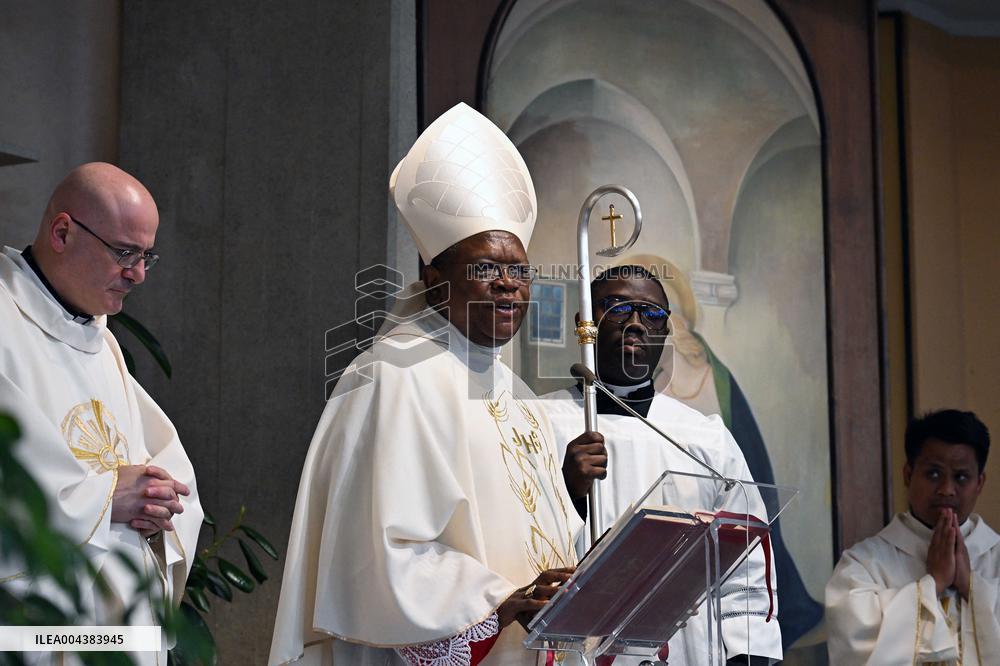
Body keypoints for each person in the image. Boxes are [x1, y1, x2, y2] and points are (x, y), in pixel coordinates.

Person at [269, 103, 594, 665]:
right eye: (487, 269)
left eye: (519, 270)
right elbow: (376, 555)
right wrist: (502, 603)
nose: (508, 287)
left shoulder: (517, 394)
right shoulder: (391, 380)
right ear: (434, 280)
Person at [0, 162, 203, 664]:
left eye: (145, 256)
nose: (136, 274)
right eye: (124, 252)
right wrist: (105, 498)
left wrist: (159, 499)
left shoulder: (99, 339)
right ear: (63, 232)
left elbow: (153, 468)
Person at [543, 265, 782, 664]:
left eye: (651, 313)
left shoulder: (704, 437)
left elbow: (744, 557)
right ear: (584, 323)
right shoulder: (542, 422)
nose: (636, 323)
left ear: (666, 331)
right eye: (617, 306)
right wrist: (568, 492)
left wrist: (748, 652)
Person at [825, 409, 1000, 665]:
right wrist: (933, 585)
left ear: (980, 483)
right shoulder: (862, 566)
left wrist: (970, 586)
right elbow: (854, 646)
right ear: (908, 475)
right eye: (933, 474)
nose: (947, 490)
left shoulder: (994, 555)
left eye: (961, 477)